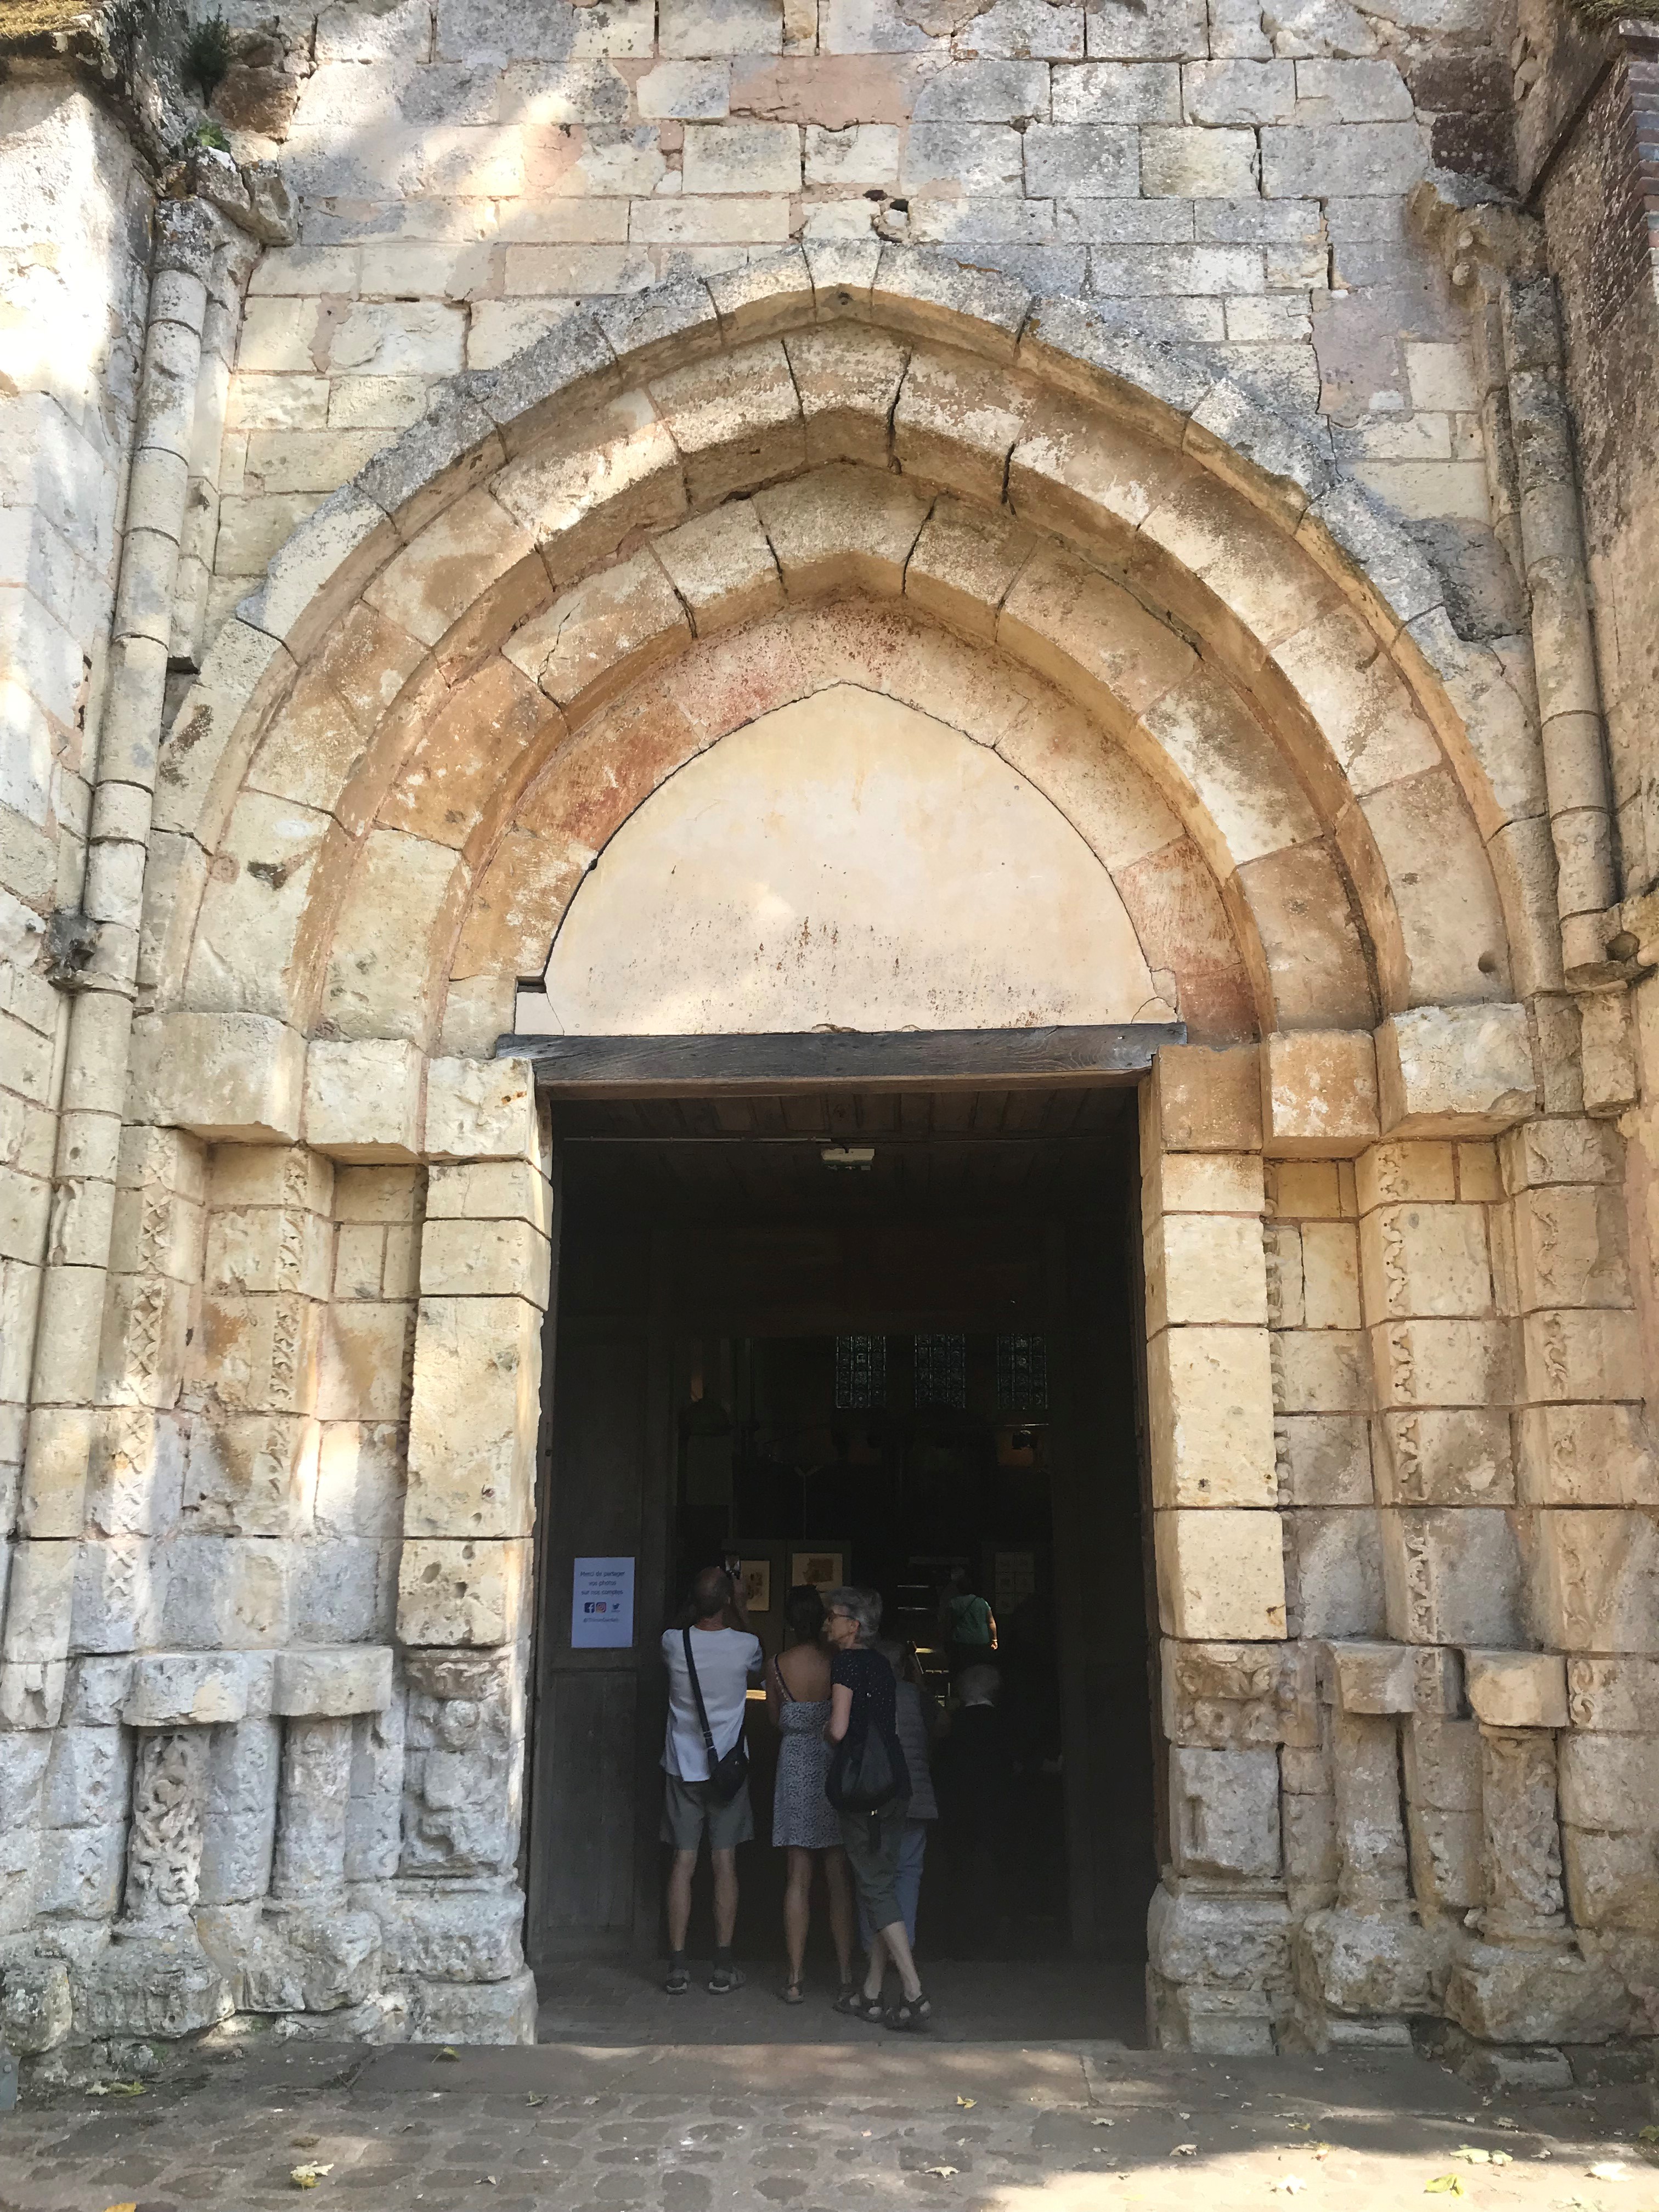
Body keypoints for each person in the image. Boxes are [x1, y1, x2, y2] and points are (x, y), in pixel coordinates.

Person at [822, 1587, 930, 2031]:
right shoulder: (885, 1666)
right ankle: (871, 1993)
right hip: (895, 1786)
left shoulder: (846, 1663)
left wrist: (826, 1736)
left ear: (854, 1625)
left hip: (862, 1791)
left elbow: (840, 1727)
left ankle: (913, 1990)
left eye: (834, 1617)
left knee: (875, 1889)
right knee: (883, 1883)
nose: (827, 1623)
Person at [660, 1564, 762, 1994]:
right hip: (729, 1773)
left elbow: (687, 1625)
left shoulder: (672, 1643)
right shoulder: (746, 1645)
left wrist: (709, 1601)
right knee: (725, 1864)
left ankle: (678, 1965)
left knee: (683, 1863)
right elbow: (759, 1664)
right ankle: (723, 1964)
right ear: (726, 1600)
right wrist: (740, 1607)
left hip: (682, 1767)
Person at [766, 1585, 855, 2005]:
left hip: (795, 1767)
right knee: (838, 1878)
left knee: (797, 1878)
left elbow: (774, 1720)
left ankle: (796, 1977)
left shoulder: (778, 1666)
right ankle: (844, 1974)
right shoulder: (837, 1662)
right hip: (832, 1764)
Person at [934, 1662, 1016, 1957]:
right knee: (997, 1862)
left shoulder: (952, 1724)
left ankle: (959, 1934)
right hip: (997, 1804)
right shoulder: (1004, 1722)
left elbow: (940, 1765)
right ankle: (995, 1929)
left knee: (960, 1867)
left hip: (957, 1806)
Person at [865, 1637, 938, 1953]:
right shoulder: (917, 1698)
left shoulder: (863, 1697)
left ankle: (873, 1952)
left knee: (872, 1880)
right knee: (908, 1875)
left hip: (876, 1799)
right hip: (917, 1798)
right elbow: (943, 1725)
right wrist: (919, 1681)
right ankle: (904, 1950)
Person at [940, 1567, 996, 1682]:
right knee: (979, 1670)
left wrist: (946, 1639)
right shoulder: (982, 1602)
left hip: (961, 1641)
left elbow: (948, 1623)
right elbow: (991, 1622)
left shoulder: (954, 1603)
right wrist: (994, 1639)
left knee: (961, 1671)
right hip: (981, 1641)